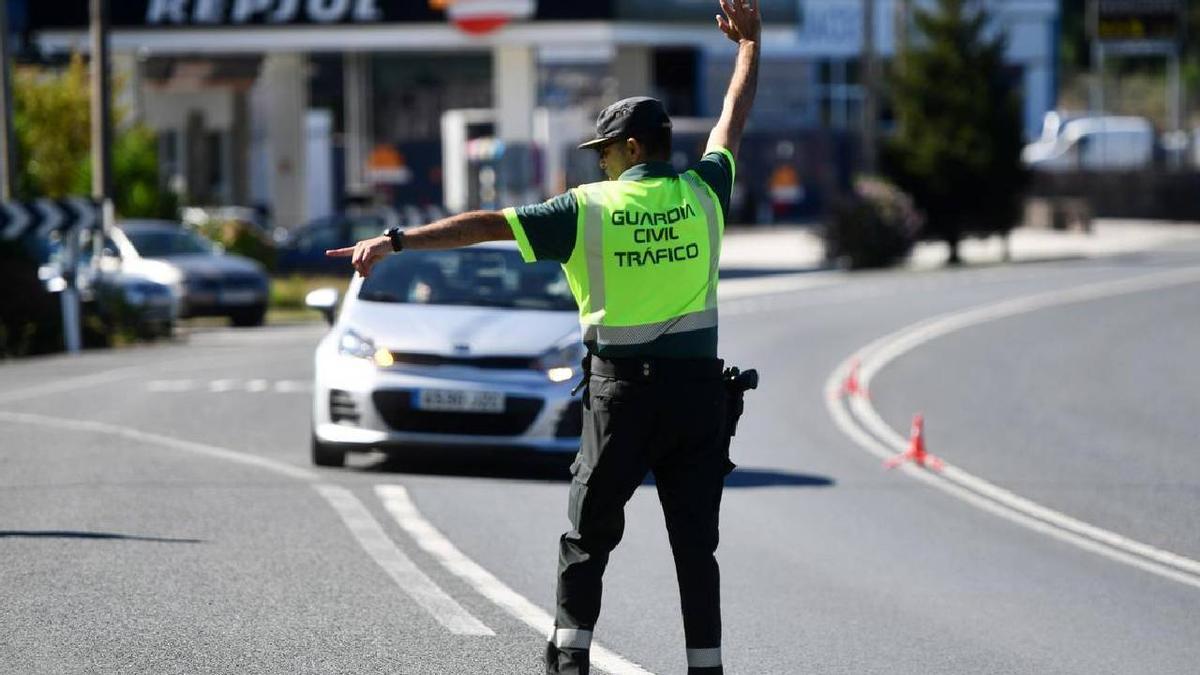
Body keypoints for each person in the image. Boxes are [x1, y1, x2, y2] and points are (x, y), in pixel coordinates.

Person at [327, 3, 760, 672]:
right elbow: (732, 117)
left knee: (587, 537)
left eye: (607, 150)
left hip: (623, 399)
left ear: (633, 148)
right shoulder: (706, 192)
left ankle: (569, 662)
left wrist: (397, 240)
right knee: (696, 550)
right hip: (698, 402)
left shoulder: (587, 208)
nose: (602, 161)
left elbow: (484, 225)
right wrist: (749, 46)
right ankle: (707, 667)